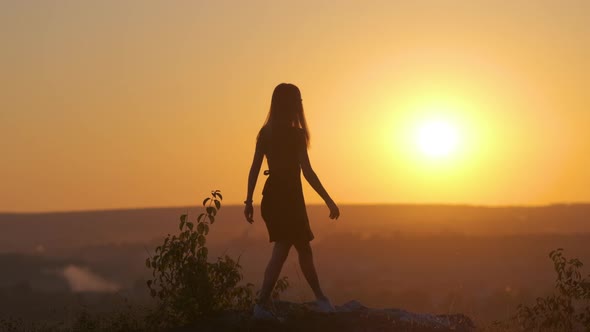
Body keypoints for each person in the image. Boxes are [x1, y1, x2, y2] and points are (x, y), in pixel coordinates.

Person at [244, 83, 340, 319]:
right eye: (298, 99)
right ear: (291, 104)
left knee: (298, 248)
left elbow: (255, 168)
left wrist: (248, 200)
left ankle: (318, 298)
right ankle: (264, 304)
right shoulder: (295, 135)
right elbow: (307, 171)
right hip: (289, 198)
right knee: (287, 249)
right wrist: (328, 200)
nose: (301, 104)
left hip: (272, 196)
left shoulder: (265, 133)